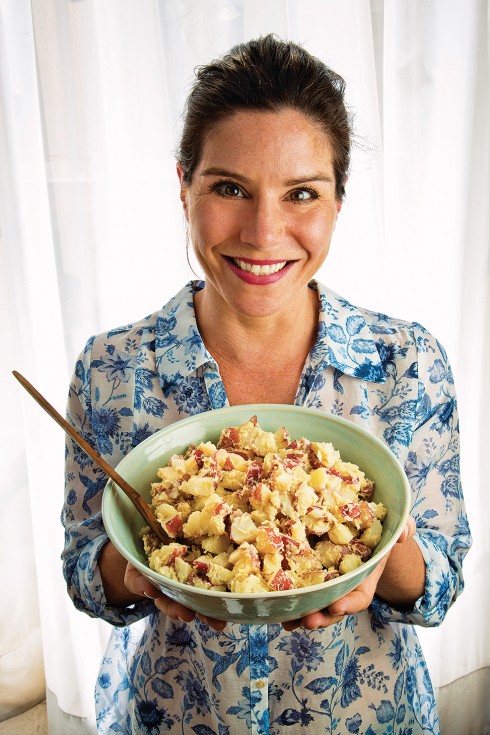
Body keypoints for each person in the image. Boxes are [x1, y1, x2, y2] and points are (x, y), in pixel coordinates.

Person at [62, 35, 471, 735]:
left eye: (302, 193)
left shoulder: (408, 361)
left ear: (339, 200)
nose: (263, 231)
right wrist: (132, 570)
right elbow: (82, 570)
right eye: (228, 188)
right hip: (175, 712)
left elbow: (439, 580)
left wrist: (375, 557)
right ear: (183, 185)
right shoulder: (110, 369)